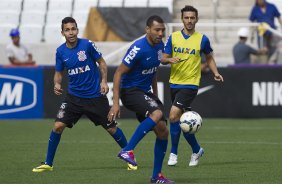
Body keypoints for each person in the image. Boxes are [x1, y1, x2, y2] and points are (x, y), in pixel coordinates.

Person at [32, 17, 135, 172]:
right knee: (58, 126)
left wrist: (104, 81)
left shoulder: (87, 45)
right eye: (67, 30)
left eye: (73, 29)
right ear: (63, 32)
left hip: (94, 96)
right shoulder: (60, 51)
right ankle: (48, 163)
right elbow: (58, 73)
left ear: (77, 30)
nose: (71, 32)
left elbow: (102, 62)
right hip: (73, 98)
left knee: (111, 128)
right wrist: (57, 83)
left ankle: (130, 157)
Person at [108, 15, 174, 184]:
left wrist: (154, 95)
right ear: (147, 30)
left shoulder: (160, 46)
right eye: (157, 30)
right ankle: (128, 150)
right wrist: (115, 103)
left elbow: (153, 71)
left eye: (162, 30)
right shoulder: (138, 48)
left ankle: (156, 177)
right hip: (130, 92)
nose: (160, 33)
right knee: (157, 113)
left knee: (162, 131)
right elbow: (118, 73)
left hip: (145, 93)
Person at [161, 5, 224, 167]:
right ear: (182, 19)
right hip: (174, 83)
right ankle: (196, 149)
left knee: (173, 116)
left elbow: (209, 57)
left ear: (196, 19)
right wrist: (170, 60)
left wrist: (215, 72)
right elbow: (163, 58)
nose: (189, 20)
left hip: (191, 84)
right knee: (183, 122)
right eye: (186, 18)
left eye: (192, 18)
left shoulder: (202, 39)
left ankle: (173, 153)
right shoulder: (173, 37)